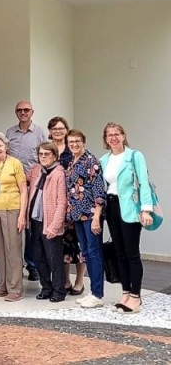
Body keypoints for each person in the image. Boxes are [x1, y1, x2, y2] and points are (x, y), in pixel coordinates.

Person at [99, 123, 154, 314]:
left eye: (117, 134)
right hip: (111, 206)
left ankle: (136, 296)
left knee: (132, 253)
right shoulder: (104, 160)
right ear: (105, 139)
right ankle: (125, 292)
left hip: (130, 208)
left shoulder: (134, 156)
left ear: (123, 136)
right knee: (119, 252)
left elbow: (144, 182)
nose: (113, 138)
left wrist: (146, 209)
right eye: (109, 135)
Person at [5, 100, 46, 282]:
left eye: (26, 110)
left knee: (30, 228)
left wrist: (34, 175)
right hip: (11, 186)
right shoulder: (9, 133)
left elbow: (44, 157)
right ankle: (14, 265)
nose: (23, 113)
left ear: (32, 112)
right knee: (13, 226)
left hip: (31, 185)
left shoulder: (40, 133)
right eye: (19, 110)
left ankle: (32, 265)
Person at [65, 129, 106, 308]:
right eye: (71, 142)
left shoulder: (91, 161)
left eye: (77, 141)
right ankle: (92, 292)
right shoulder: (71, 162)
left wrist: (97, 217)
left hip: (90, 215)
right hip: (77, 216)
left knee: (94, 252)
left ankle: (97, 294)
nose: (74, 144)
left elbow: (98, 192)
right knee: (86, 253)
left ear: (84, 142)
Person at [0, 133, 27, 302]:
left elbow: (24, 189)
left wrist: (22, 215)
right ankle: (2, 285)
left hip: (11, 208)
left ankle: (15, 288)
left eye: (0, 146)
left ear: (6, 147)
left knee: (13, 250)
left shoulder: (15, 163)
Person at [48, 116, 84, 295]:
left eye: (61, 128)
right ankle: (66, 280)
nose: (58, 131)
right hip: (55, 206)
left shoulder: (73, 149)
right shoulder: (48, 150)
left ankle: (79, 280)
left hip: (74, 205)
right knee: (61, 245)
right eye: (54, 129)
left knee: (77, 244)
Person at [27, 142, 68, 302]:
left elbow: (61, 203)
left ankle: (59, 290)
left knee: (54, 259)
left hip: (50, 223)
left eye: (47, 154)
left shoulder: (59, 174)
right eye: (41, 154)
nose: (43, 157)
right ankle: (46, 287)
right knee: (38, 257)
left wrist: (55, 226)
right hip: (35, 221)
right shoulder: (37, 170)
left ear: (55, 156)